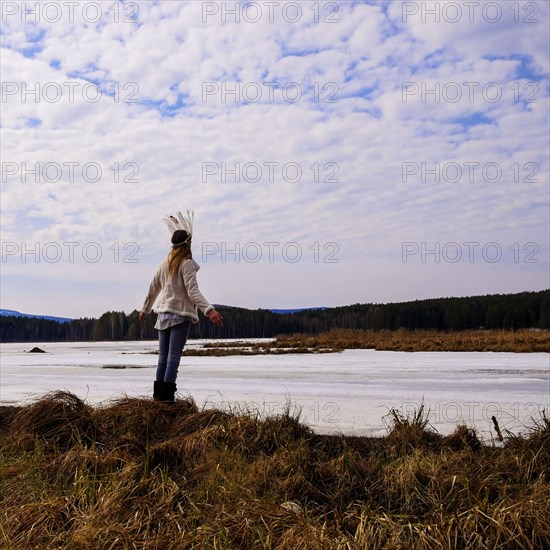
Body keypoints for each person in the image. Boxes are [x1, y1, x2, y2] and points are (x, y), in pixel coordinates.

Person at [139, 211, 223, 402]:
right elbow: (193, 292)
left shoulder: (164, 264)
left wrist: (145, 308)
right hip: (179, 316)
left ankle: (157, 398)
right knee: (173, 359)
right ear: (188, 244)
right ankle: (167, 400)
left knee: (163, 358)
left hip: (163, 315)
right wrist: (210, 310)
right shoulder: (186, 265)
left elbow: (153, 287)